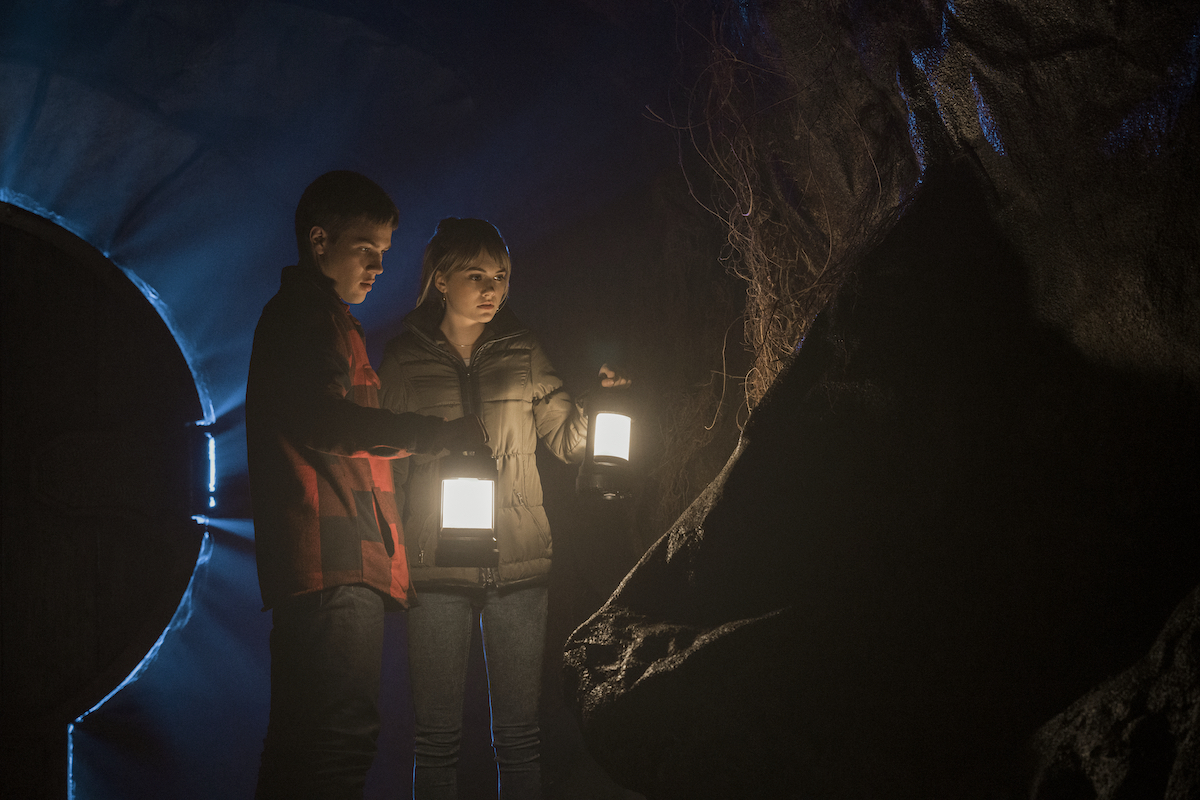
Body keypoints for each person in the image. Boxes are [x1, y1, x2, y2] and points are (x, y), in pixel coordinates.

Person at [246, 172, 485, 800]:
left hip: (332, 563)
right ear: (319, 241)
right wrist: (432, 435)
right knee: (337, 745)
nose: (379, 265)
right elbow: (321, 418)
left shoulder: (322, 319)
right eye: (365, 248)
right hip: (334, 564)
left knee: (304, 746)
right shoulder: (306, 316)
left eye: (385, 252)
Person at [377, 218, 627, 799]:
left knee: (518, 737)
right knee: (435, 739)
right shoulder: (404, 360)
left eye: (502, 275)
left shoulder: (524, 350)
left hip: (519, 566)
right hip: (434, 567)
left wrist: (602, 405)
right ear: (440, 279)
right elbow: (384, 465)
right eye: (477, 274)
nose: (494, 288)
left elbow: (567, 441)